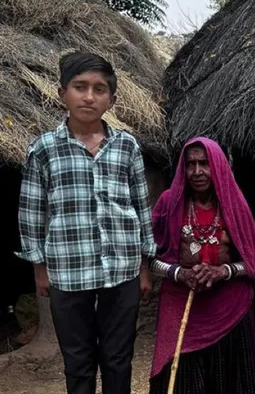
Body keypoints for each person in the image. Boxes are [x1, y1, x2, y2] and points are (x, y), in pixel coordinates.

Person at [16, 51, 154, 394]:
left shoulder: (127, 147)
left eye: (99, 88)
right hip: (68, 270)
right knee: (77, 363)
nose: (89, 96)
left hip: (121, 269)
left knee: (118, 360)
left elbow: (141, 207)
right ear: (63, 92)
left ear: (112, 99)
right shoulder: (44, 149)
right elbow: (31, 212)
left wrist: (144, 264)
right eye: (80, 87)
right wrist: (39, 267)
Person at [148, 137, 255, 394]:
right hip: (181, 306)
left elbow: (253, 263)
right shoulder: (170, 203)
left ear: (218, 166)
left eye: (205, 163)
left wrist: (223, 271)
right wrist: (179, 273)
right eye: (191, 164)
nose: (197, 171)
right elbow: (149, 258)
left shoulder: (234, 204)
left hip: (229, 308)